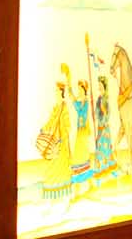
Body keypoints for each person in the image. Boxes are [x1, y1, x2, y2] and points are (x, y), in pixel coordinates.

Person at [37, 69, 73, 201]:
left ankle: (65, 197)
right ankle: (54, 196)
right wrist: (44, 129)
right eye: (55, 91)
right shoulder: (55, 107)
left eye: (57, 91)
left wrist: (61, 137)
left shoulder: (64, 107)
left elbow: (67, 125)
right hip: (55, 141)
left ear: (61, 92)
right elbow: (51, 121)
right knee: (52, 167)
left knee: (62, 168)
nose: (55, 93)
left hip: (62, 143)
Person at [70, 79, 93, 190]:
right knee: (79, 157)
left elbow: (79, 109)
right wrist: (71, 92)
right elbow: (75, 102)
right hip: (80, 132)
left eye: (80, 89)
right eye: (78, 89)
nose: (79, 92)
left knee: (81, 156)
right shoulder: (82, 102)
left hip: (83, 133)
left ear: (84, 90)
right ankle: (80, 183)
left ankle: (85, 183)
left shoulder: (85, 103)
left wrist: (74, 98)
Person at [92, 76, 117, 178]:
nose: (99, 87)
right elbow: (97, 113)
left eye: (101, 85)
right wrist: (95, 113)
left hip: (105, 128)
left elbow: (108, 113)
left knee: (105, 148)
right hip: (100, 127)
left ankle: (108, 168)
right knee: (99, 148)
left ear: (104, 87)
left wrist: (104, 111)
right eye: (99, 85)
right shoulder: (99, 99)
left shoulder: (106, 99)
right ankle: (101, 168)